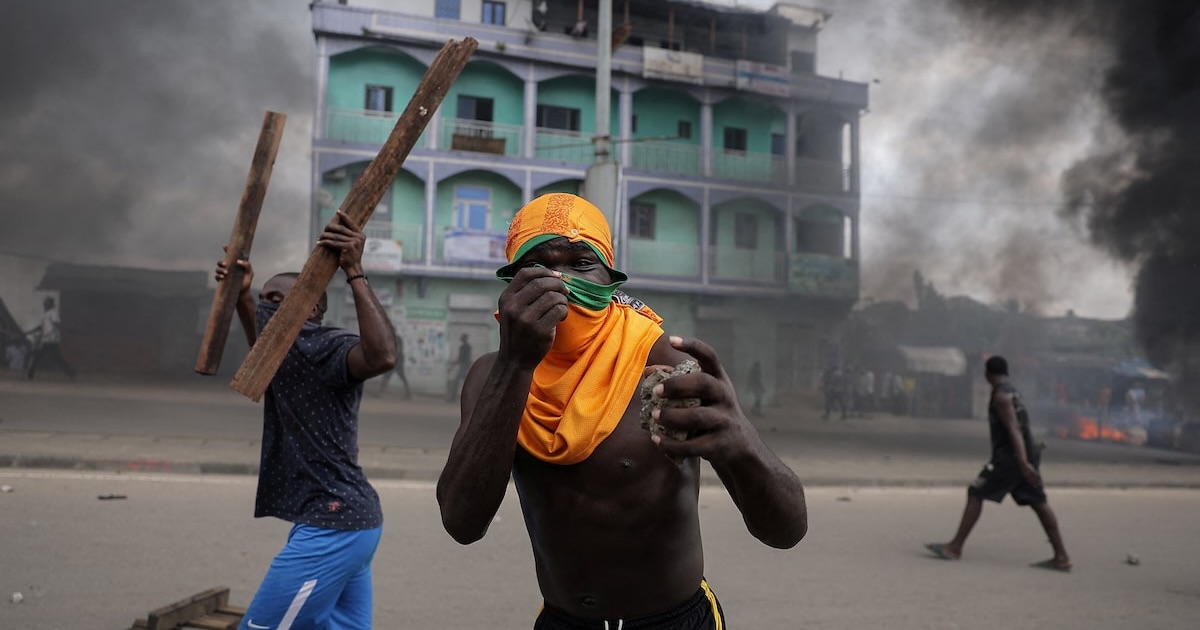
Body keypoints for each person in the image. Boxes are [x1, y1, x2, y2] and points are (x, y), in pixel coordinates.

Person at [437, 193, 807, 629]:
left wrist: (740, 441)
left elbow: (785, 531)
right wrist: (517, 363)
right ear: (512, 282)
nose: (559, 282)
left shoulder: (666, 365)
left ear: (610, 277)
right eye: (537, 266)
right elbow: (462, 523)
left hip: (675, 620)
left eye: (580, 263)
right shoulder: (493, 376)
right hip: (563, 621)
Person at [215, 210, 399, 629]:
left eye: (286, 300)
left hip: (335, 524)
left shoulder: (326, 346)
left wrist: (354, 269)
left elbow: (382, 355)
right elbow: (263, 350)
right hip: (342, 522)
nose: (272, 308)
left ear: (313, 307)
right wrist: (242, 295)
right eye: (268, 301)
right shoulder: (285, 358)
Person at [925, 355, 1072, 572]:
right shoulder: (1013, 390)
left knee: (976, 492)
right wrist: (1029, 458)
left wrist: (1022, 462)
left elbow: (1013, 429)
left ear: (987, 375)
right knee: (1038, 502)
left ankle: (954, 548)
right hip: (1026, 455)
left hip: (1011, 459)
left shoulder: (1001, 396)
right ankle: (1061, 557)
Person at [25, 296, 75, 380]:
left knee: (37, 356)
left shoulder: (53, 313)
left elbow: (57, 324)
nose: (44, 304)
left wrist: (61, 335)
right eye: (44, 303)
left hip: (50, 339)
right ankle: (71, 372)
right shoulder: (46, 314)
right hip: (47, 340)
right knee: (56, 358)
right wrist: (28, 332)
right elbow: (41, 327)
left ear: (51, 304)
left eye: (46, 303)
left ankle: (30, 374)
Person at [377, 334, 411, 399]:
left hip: (397, 360)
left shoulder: (396, 339)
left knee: (397, 377)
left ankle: (408, 393)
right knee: (387, 377)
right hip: (395, 360)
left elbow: (398, 350)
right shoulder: (392, 339)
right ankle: (381, 392)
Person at [446, 333, 473, 402]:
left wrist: (454, 363)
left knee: (459, 381)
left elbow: (465, 358)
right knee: (461, 382)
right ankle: (454, 397)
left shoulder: (467, 347)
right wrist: (454, 363)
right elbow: (460, 358)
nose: (463, 340)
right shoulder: (463, 347)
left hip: (465, 366)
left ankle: (453, 397)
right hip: (463, 366)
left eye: (463, 338)